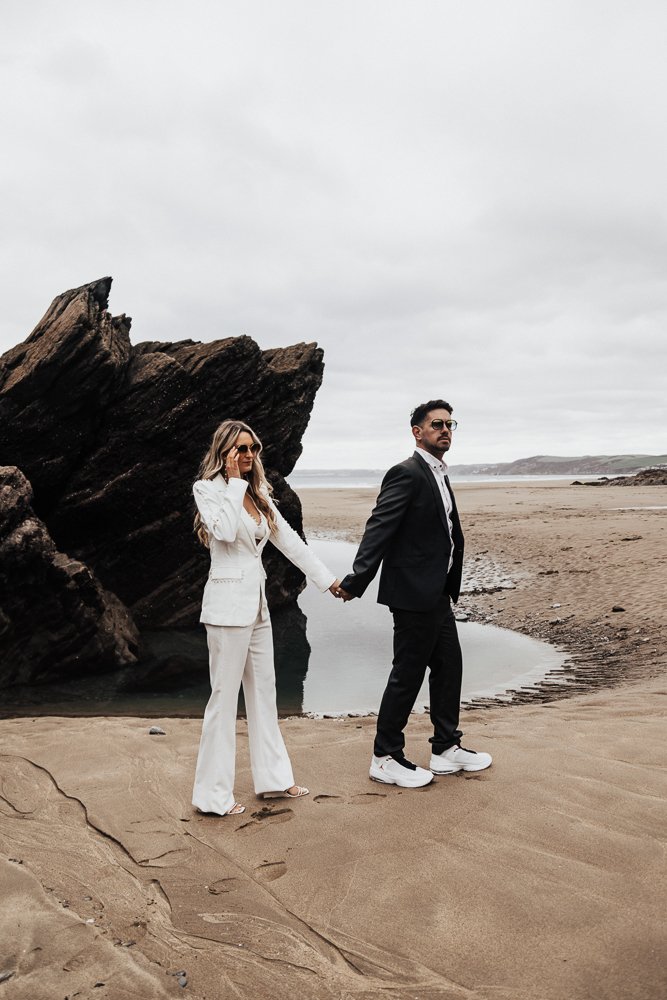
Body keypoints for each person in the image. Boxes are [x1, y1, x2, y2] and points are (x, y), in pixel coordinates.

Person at [336, 400, 492, 788]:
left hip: (437, 592)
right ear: (417, 432)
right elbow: (380, 527)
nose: (445, 430)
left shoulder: (438, 473)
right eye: (437, 424)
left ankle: (445, 749)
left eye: (450, 424)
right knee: (407, 674)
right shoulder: (406, 473)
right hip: (412, 593)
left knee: (448, 667)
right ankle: (385, 757)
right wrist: (356, 580)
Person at [192, 419, 342, 816]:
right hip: (226, 610)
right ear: (224, 451)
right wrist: (233, 482)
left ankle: (275, 779)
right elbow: (224, 532)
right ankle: (212, 797)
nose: (249, 455)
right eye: (240, 448)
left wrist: (328, 581)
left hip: (257, 607)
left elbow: (290, 541)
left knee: (264, 693)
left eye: (253, 448)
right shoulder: (207, 490)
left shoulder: (259, 496)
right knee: (223, 700)